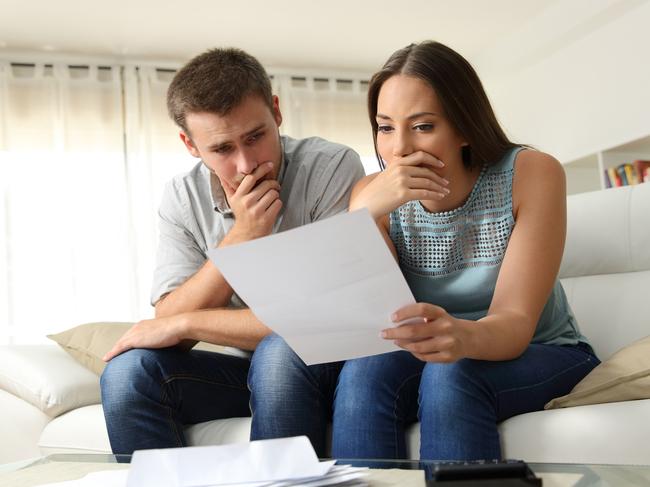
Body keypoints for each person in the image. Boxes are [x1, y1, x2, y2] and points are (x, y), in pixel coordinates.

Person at [249, 41, 599, 461]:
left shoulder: (531, 173)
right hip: (428, 352)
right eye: (385, 127)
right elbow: (369, 319)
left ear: (466, 127)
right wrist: (361, 216)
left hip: (538, 349)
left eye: (423, 126)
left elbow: (516, 323)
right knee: (365, 371)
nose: (399, 149)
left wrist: (461, 335)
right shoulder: (370, 196)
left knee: (452, 373)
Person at [99, 47, 365, 455]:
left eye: (255, 137)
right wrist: (243, 233)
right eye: (222, 149)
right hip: (248, 371)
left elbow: (321, 318)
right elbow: (167, 323)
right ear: (190, 144)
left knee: (279, 353)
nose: (245, 164)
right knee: (127, 373)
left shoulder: (330, 166)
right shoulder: (182, 198)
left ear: (276, 112)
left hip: (328, 365)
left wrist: (188, 323)